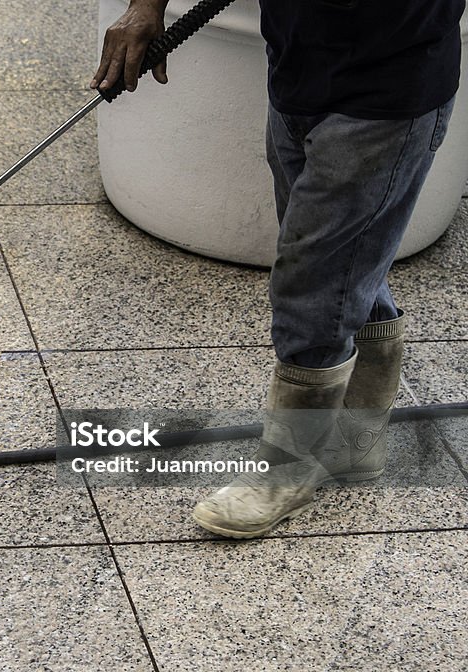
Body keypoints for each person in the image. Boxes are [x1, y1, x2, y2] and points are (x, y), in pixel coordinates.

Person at [92, 0, 465, 538]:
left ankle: (289, 463)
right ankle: (357, 438)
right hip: (300, 69)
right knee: (347, 263)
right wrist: (146, 6)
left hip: (387, 94)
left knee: (313, 279)